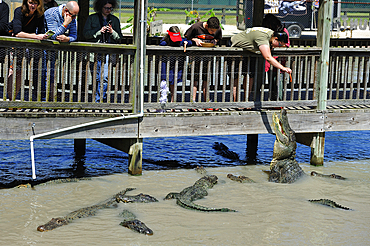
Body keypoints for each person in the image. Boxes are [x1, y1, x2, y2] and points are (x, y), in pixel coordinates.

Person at [229, 15, 292, 101]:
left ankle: (246, 101)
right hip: (234, 48)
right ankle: (236, 102)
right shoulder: (263, 38)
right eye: (280, 45)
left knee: (249, 75)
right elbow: (268, 57)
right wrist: (283, 68)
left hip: (248, 51)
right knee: (235, 75)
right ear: (275, 39)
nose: (280, 47)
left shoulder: (271, 34)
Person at [7, 0, 48, 100]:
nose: (33, 5)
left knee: (28, 72)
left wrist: (43, 36)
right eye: (30, 2)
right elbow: (17, 33)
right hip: (16, 45)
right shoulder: (19, 11)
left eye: (35, 3)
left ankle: (18, 99)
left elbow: (41, 31)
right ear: (26, 3)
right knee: (13, 71)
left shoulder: (39, 15)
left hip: (30, 46)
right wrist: (35, 36)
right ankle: (11, 100)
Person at [83, 0, 123, 102]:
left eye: (110, 8)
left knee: (105, 77)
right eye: (106, 8)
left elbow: (119, 37)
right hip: (94, 52)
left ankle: (100, 99)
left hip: (108, 52)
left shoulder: (114, 20)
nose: (108, 10)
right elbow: (85, 34)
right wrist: (98, 32)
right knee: (96, 77)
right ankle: (96, 98)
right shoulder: (92, 18)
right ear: (100, 7)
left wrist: (112, 32)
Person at [43, 1, 79, 100]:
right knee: (42, 76)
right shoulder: (51, 13)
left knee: (51, 76)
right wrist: (65, 24)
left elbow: (74, 36)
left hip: (54, 52)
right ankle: (42, 102)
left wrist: (67, 39)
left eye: (76, 16)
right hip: (42, 49)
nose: (74, 18)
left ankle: (50, 101)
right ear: (66, 11)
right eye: (73, 16)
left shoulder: (72, 16)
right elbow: (53, 36)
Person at [184, 17, 222, 102]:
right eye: (211, 31)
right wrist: (195, 39)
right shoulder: (196, 27)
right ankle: (192, 101)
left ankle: (206, 100)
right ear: (207, 26)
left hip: (208, 58)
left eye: (215, 31)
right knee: (194, 79)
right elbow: (186, 37)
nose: (213, 32)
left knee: (206, 79)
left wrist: (215, 41)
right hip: (194, 57)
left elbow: (218, 38)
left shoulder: (218, 29)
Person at [159, 26, 192, 102]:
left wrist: (186, 42)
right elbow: (162, 43)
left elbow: (190, 42)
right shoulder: (165, 42)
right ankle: (163, 100)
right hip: (166, 64)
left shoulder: (180, 41)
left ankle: (173, 101)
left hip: (177, 65)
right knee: (164, 82)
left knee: (174, 82)